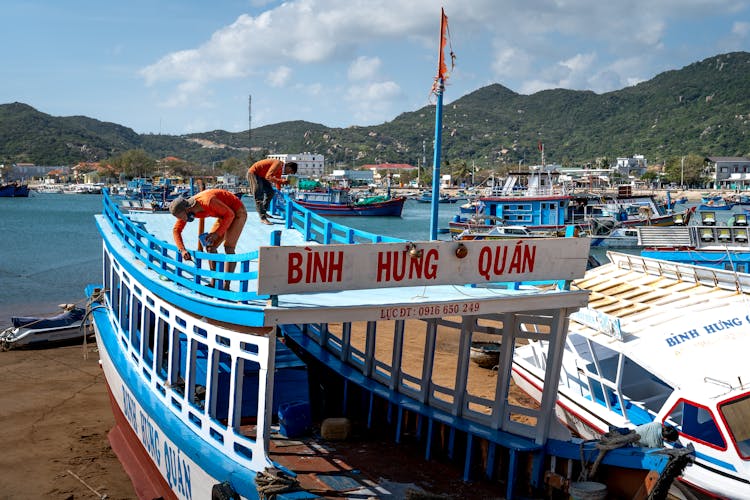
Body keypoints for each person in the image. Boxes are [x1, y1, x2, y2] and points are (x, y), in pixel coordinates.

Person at [169, 188, 247, 290]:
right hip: (224, 215)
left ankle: (226, 285)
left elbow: (231, 215)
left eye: (180, 216)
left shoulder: (208, 202)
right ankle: (214, 282)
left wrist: (217, 233)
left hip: (237, 212)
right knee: (210, 246)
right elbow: (176, 230)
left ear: (187, 209)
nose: (181, 219)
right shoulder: (186, 211)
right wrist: (182, 250)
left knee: (228, 247)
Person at [246, 159, 298, 224]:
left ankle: (264, 212)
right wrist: (282, 181)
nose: (288, 174)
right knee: (259, 195)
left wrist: (279, 190)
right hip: (253, 173)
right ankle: (263, 218)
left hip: (262, 176)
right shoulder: (278, 164)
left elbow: (277, 181)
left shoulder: (281, 169)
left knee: (271, 193)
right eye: (290, 172)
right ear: (289, 167)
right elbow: (268, 177)